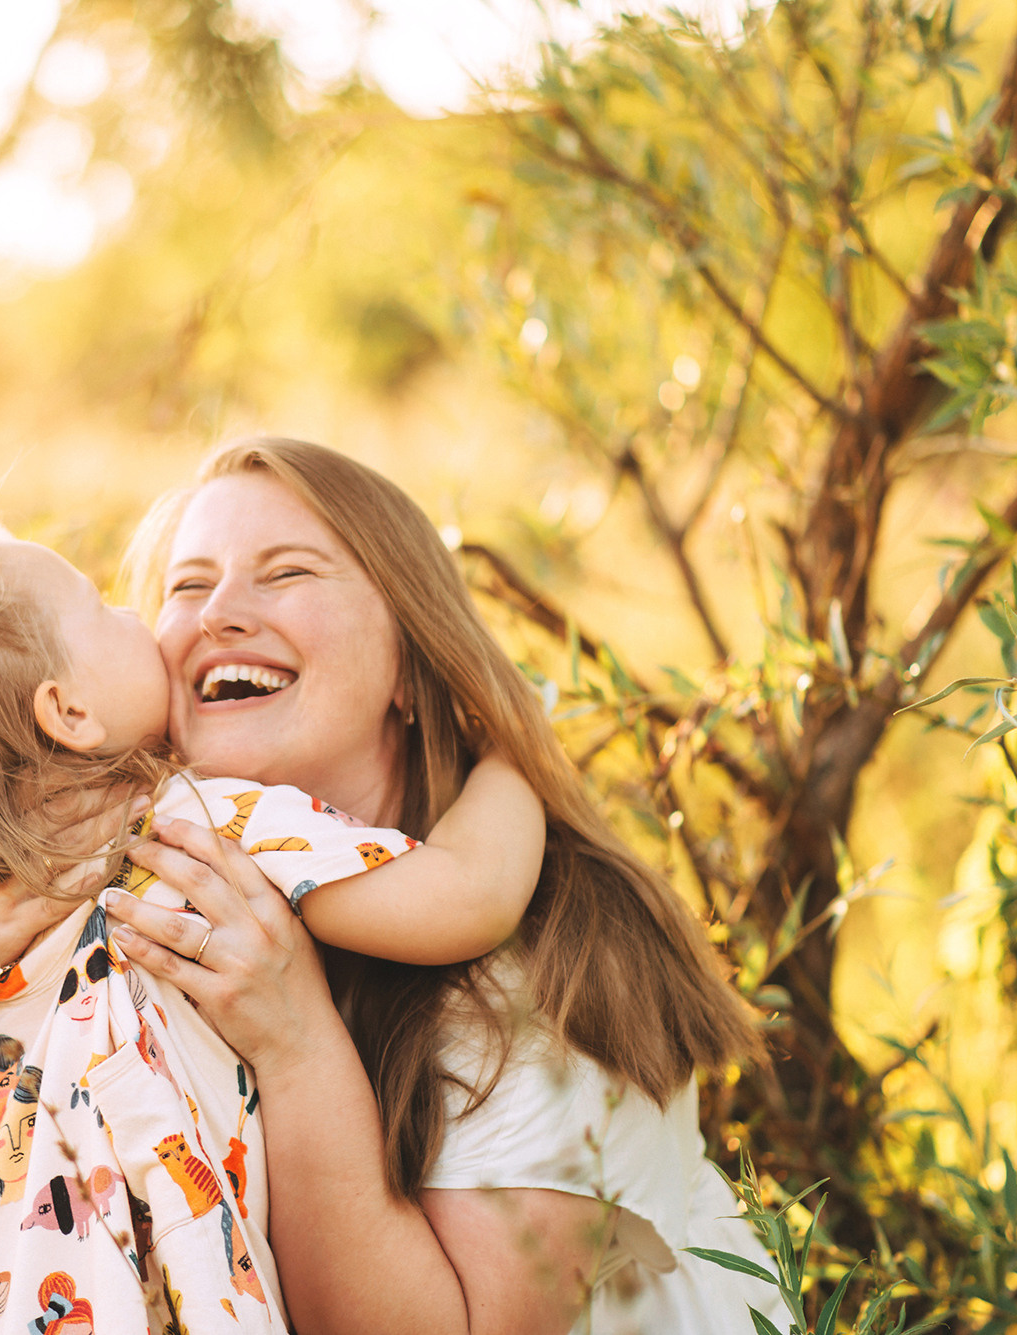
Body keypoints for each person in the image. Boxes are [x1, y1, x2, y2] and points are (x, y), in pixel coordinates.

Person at [0, 512, 548, 1333]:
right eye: (102, 608)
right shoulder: (195, 822)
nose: (136, 617)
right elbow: (463, 897)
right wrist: (512, 751)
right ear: (67, 713)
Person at [91, 437, 790, 1333]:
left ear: (411, 672)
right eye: (187, 585)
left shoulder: (549, 958)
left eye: (287, 572)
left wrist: (297, 1042)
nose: (219, 611)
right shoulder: (157, 902)